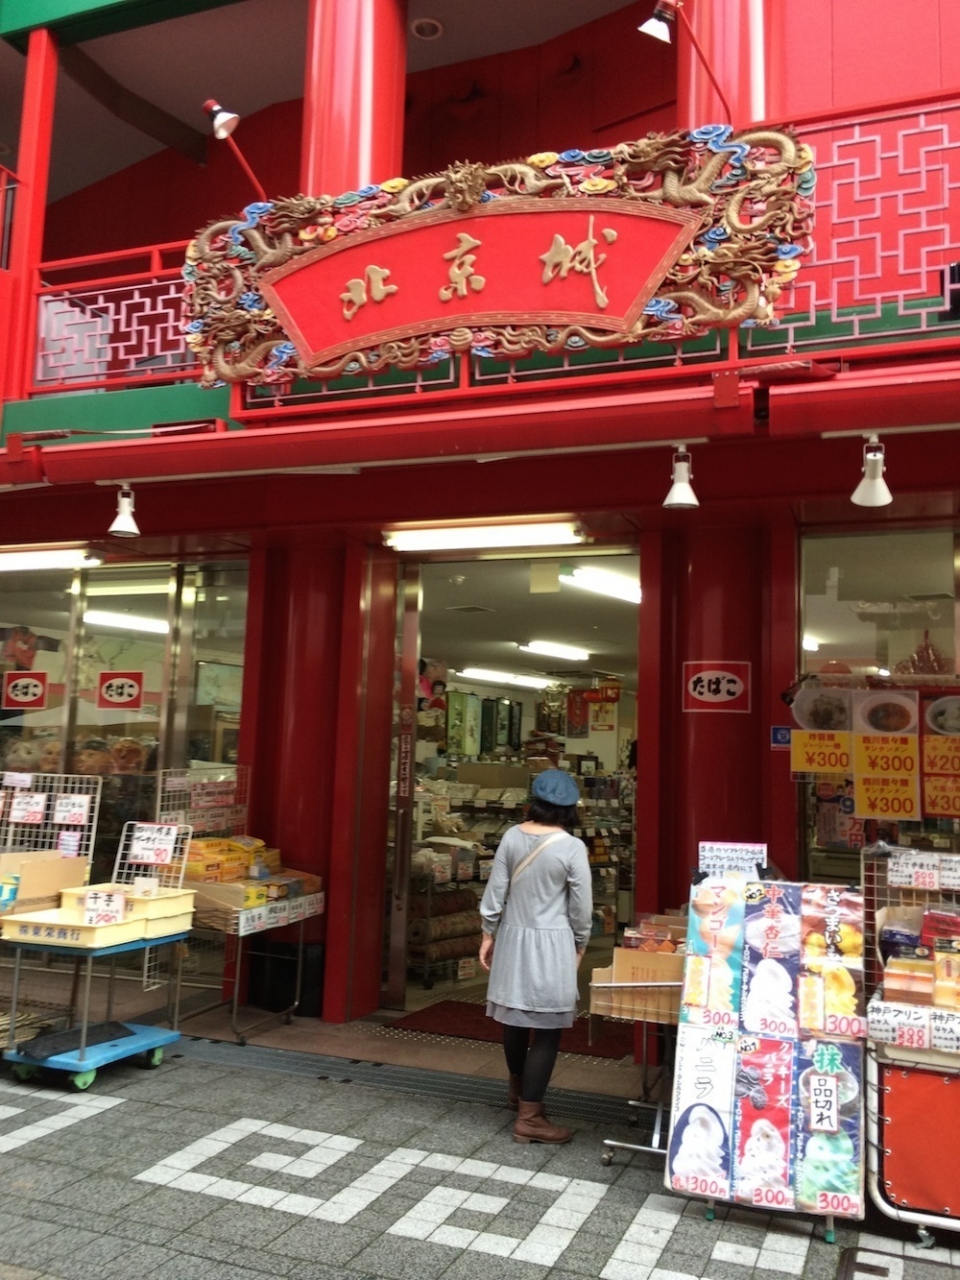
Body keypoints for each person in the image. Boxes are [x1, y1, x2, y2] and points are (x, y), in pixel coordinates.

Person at [478, 768, 592, 1144]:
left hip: (513, 937)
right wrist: (581, 942)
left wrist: (488, 933)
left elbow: (495, 890)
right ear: (570, 809)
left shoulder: (512, 836)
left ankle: (517, 1093)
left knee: (514, 1018)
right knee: (546, 1028)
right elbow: (581, 908)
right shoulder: (571, 847)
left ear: (534, 802)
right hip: (551, 943)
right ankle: (530, 1117)